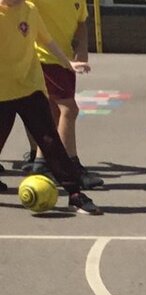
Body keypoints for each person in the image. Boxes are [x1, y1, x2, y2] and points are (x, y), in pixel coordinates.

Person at [0, 0, 99, 211]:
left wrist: (67, 62)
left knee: (50, 139)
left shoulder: (30, 10)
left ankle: (75, 194)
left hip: (29, 87)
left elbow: (47, 40)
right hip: (2, 92)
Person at [26, 0, 103, 187]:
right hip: (45, 58)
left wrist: (82, 51)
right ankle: (70, 165)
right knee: (69, 109)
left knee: (54, 111)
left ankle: (43, 163)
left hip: (66, 60)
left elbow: (81, 22)